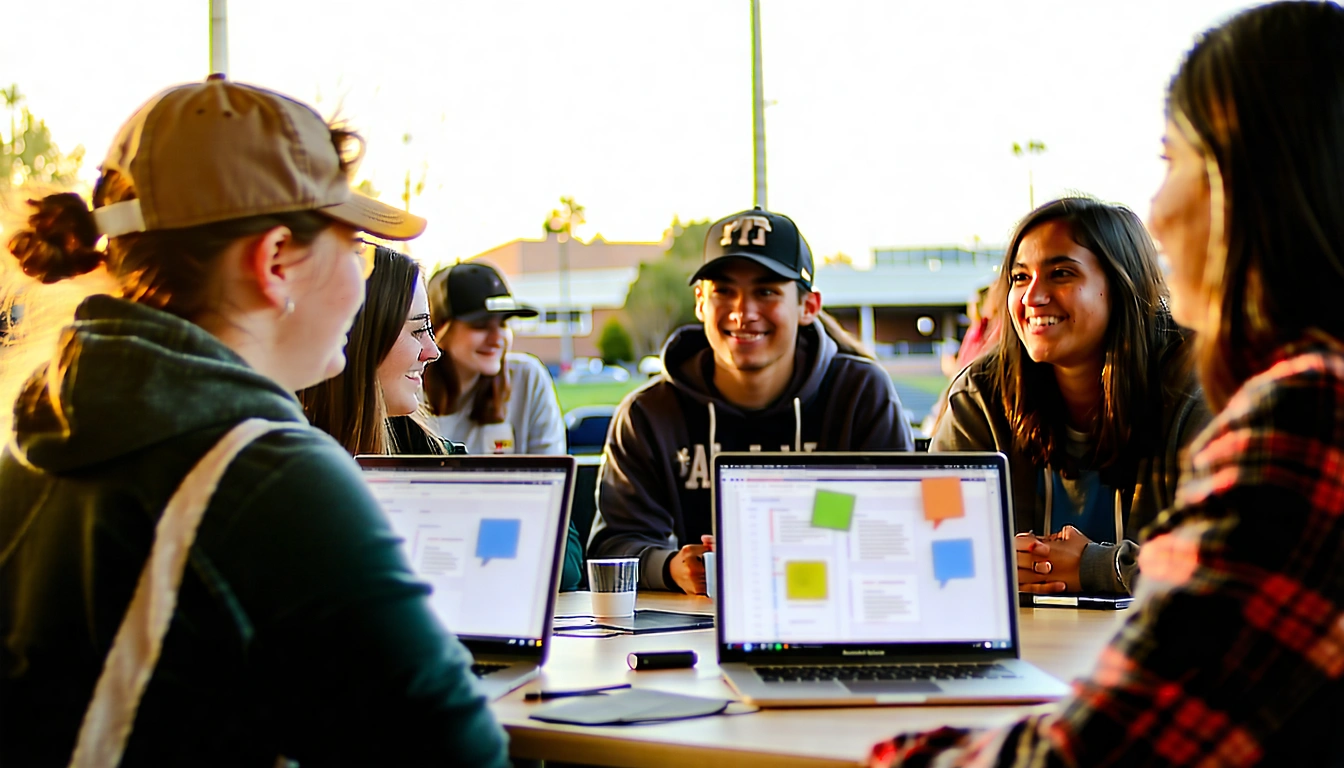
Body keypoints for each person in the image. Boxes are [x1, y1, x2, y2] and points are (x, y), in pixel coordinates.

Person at [873, 3, 1344, 764]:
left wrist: (892, 755)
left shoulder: (1308, 413)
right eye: (1019, 277)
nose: (1158, 212)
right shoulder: (981, 394)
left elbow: (1102, 751)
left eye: (1172, 162)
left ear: (1256, 184)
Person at [0, 78, 508, 766]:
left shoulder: (36, 441)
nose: (362, 283)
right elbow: (463, 753)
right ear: (274, 262)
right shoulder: (263, 470)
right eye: (355, 249)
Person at [589, 206, 915, 594]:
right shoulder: (648, 413)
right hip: (692, 621)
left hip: (827, 608)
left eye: (766, 291)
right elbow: (614, 544)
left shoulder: (859, 393)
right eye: (724, 291)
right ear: (700, 301)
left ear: (808, 307)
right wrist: (673, 567)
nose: (743, 313)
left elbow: (893, 526)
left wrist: (794, 534)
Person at [932, 197, 1210, 595]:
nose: (1032, 297)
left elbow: (1235, 562)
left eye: (1060, 273)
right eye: (1020, 277)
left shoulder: (1195, 387)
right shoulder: (980, 396)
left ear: (1122, 285)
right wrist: (991, 564)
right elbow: (933, 540)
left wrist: (1097, 568)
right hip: (1027, 635)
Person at [423, 260, 583, 590]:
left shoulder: (528, 377)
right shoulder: (409, 388)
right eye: (481, 325)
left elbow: (551, 504)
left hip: (509, 528)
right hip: (441, 544)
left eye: (505, 323)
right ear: (439, 330)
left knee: (564, 565)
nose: (498, 338)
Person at [298, 244, 448, 455]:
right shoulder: (277, 458)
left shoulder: (428, 454)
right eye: (418, 330)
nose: (433, 352)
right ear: (360, 338)